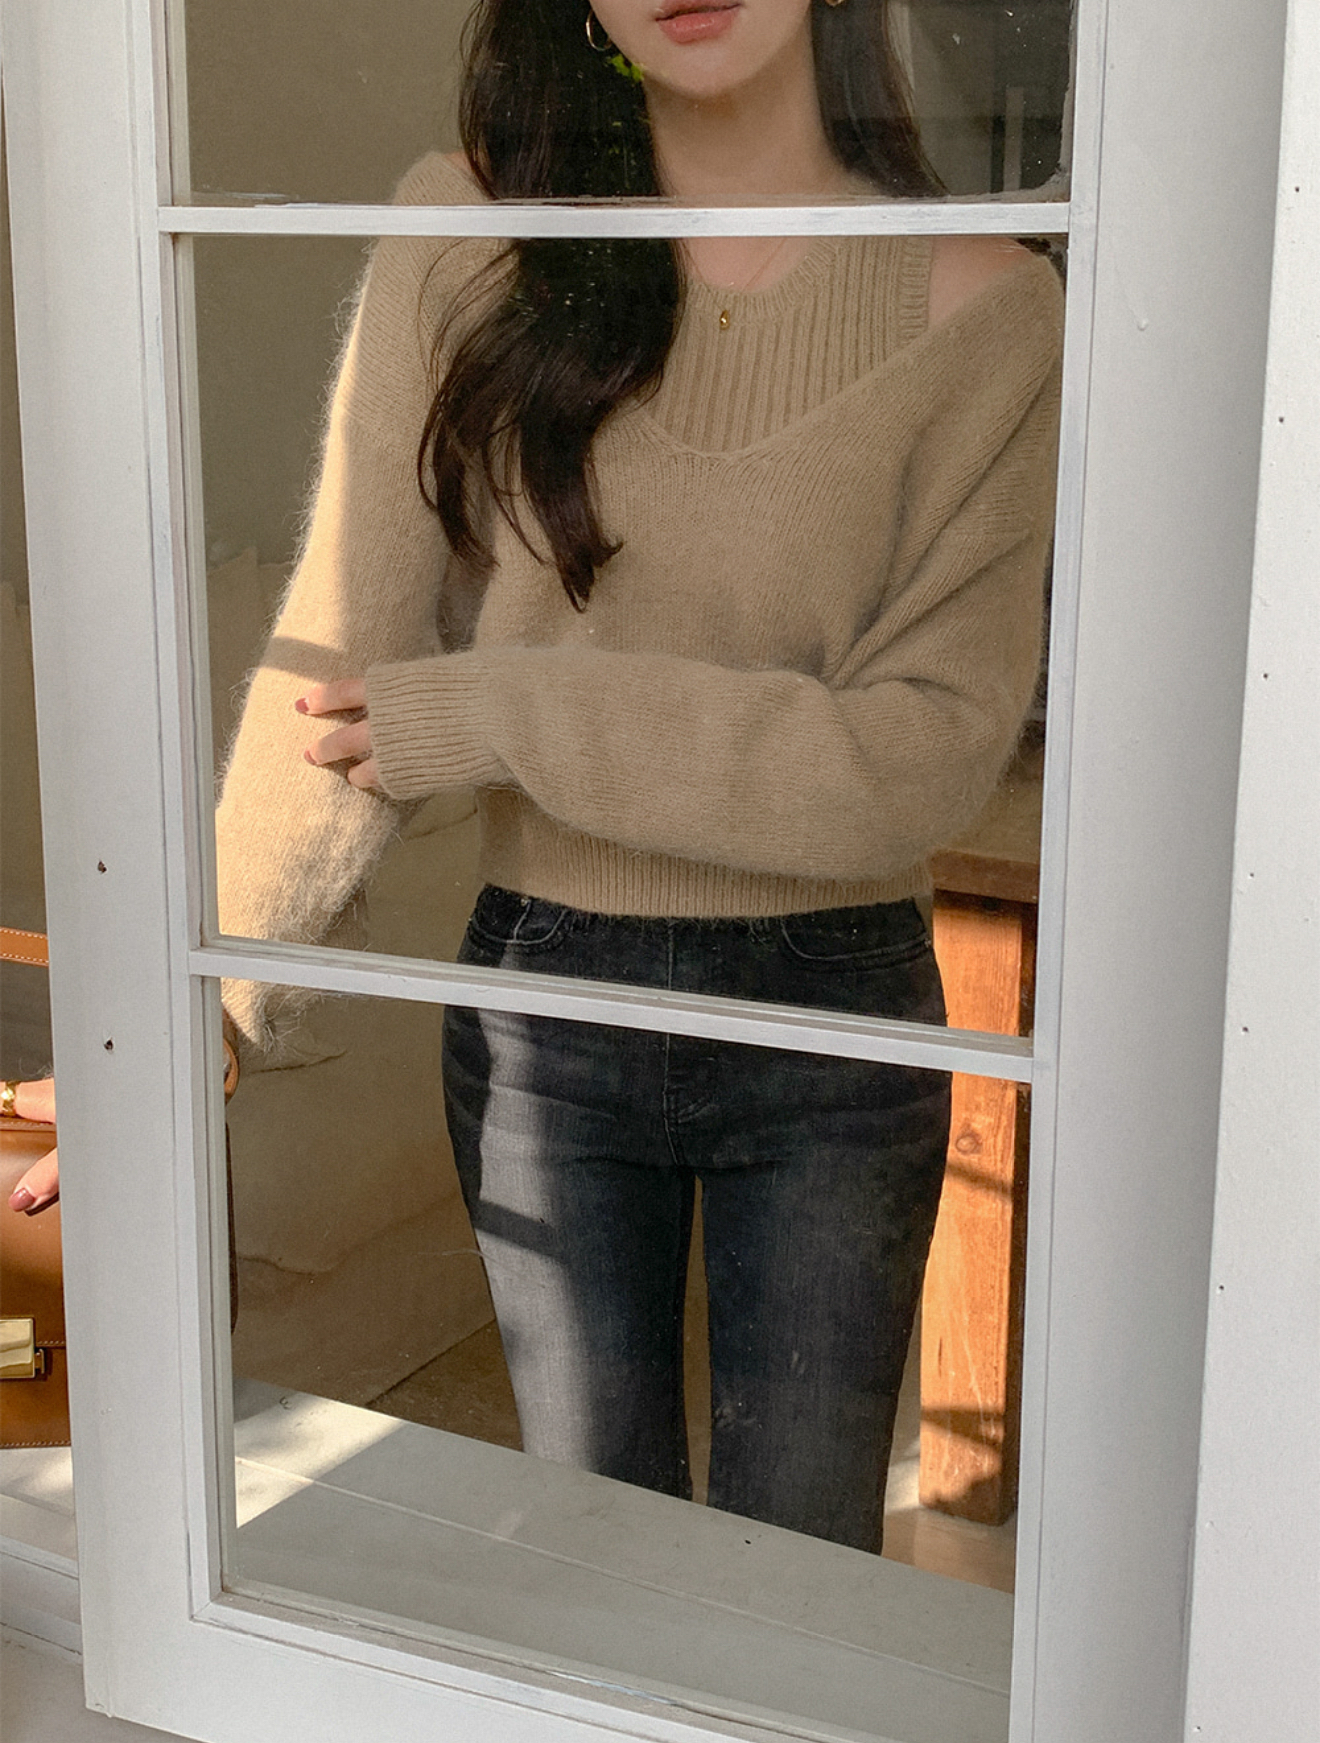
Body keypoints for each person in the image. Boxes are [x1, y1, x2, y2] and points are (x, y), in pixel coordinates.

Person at [8, 0, 1063, 1552]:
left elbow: (917, 763)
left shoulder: (994, 307)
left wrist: (505, 713)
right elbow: (338, 663)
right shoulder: (469, 237)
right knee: (588, 1557)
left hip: (839, 1018)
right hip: (547, 1012)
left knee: (802, 1573)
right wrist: (196, 1016)